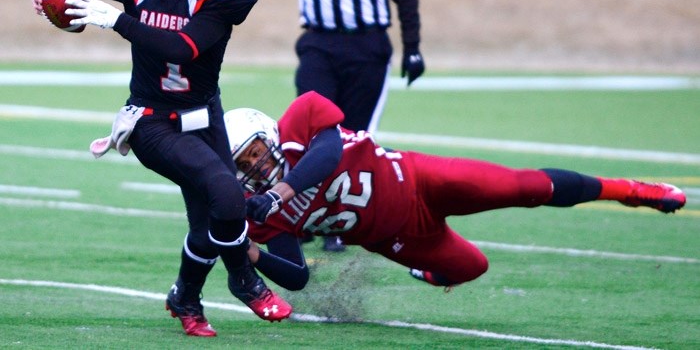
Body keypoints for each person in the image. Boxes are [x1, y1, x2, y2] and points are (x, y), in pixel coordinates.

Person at [29, 0, 292, 337]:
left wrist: (118, 20)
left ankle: (185, 298)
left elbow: (182, 47)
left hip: (204, 114)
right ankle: (244, 280)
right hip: (152, 120)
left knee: (210, 222)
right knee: (226, 193)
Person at [221, 91, 686, 293]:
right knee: (472, 267)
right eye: (244, 164)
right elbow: (298, 277)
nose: (257, 165)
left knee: (526, 186)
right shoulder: (266, 212)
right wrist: (252, 254)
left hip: (420, 178)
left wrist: (281, 192)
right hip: (396, 236)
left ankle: (628, 189)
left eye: (256, 151)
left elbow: (324, 156)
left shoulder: (300, 120)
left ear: (268, 132)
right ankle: (433, 272)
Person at [220, 0, 425, 252]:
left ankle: (338, 223)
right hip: (319, 42)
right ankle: (299, 212)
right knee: (310, 130)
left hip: (368, 45)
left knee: (356, 135)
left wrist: (413, 47)